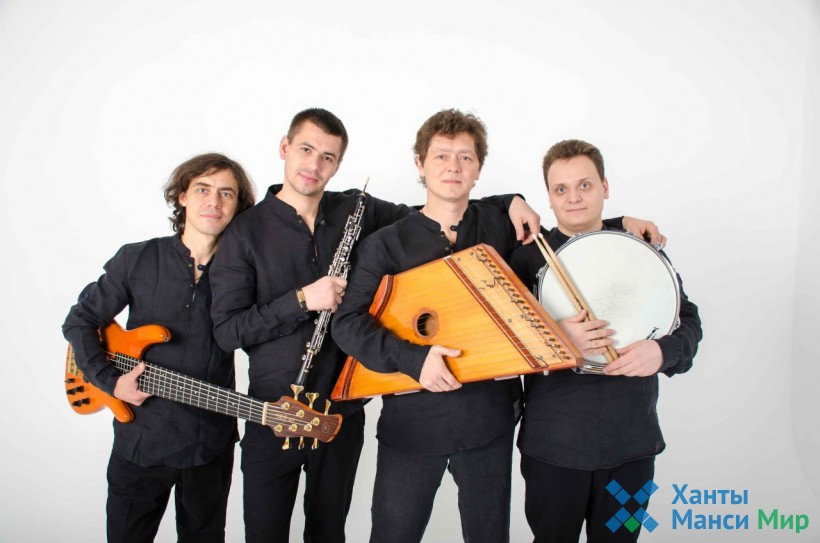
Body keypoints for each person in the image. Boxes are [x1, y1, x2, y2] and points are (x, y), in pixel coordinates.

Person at [207, 107, 541, 543]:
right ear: (285, 148)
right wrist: (303, 300)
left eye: (328, 156)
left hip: (340, 412)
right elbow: (228, 332)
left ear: (338, 164)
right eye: (306, 149)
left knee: (330, 533)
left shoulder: (356, 209)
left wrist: (510, 200)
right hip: (275, 411)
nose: (314, 164)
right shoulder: (244, 232)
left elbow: (436, 207)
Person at [330, 111, 662, 543]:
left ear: (479, 168)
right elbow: (347, 325)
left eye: (465, 158)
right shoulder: (384, 244)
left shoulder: (501, 227)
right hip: (411, 428)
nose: (453, 167)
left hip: (490, 426)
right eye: (441, 156)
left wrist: (624, 227)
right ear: (419, 163)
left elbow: (573, 233)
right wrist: (414, 360)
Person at [508, 139, 703, 542]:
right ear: (549, 197)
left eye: (585, 185)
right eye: (561, 189)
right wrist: (555, 337)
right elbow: (503, 343)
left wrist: (662, 351)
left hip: (633, 448)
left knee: (622, 539)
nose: (574, 198)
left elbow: (688, 321)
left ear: (605, 187)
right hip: (553, 450)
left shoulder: (641, 248)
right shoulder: (525, 260)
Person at [62, 153, 257, 543]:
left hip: (209, 445)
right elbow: (80, 321)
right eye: (202, 189)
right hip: (140, 440)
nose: (214, 201)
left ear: (237, 206)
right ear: (182, 196)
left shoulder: (247, 275)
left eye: (226, 193)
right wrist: (109, 382)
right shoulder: (137, 258)